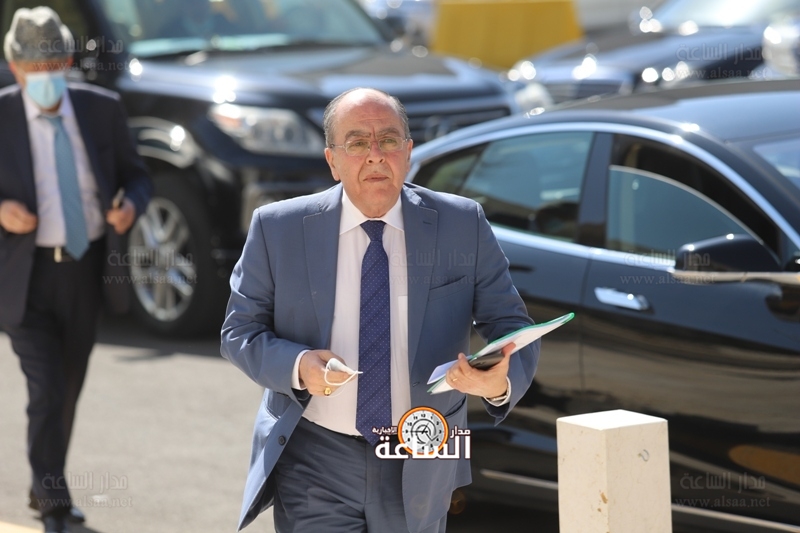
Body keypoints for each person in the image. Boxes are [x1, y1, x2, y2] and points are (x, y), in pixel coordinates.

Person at [220, 87, 539, 533]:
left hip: (423, 450)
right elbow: (239, 332)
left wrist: (498, 380)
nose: (375, 155)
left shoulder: (462, 224)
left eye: (388, 140)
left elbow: (511, 323)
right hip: (314, 459)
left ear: (407, 153)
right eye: (356, 143)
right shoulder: (278, 228)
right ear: (332, 160)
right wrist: (298, 366)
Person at [0, 7, 152, 533]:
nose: (44, 78)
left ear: (67, 62)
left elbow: (138, 176)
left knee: (66, 386)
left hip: (86, 272)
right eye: (32, 69)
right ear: (15, 68)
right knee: (46, 387)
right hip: (25, 277)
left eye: (53, 66)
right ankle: (54, 504)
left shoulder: (100, 108)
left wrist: (130, 206)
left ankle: (44, 483)